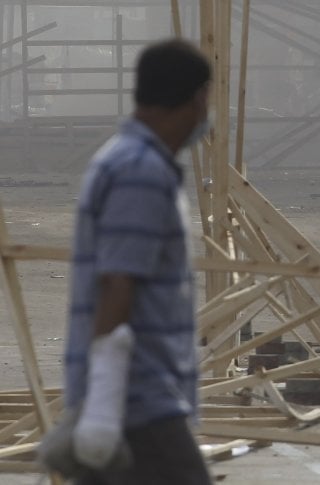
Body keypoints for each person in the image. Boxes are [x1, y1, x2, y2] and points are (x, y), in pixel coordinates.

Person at [39, 39, 213, 484]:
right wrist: (102, 398)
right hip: (140, 397)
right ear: (194, 99)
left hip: (129, 395)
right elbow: (118, 282)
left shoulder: (124, 159)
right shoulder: (141, 171)